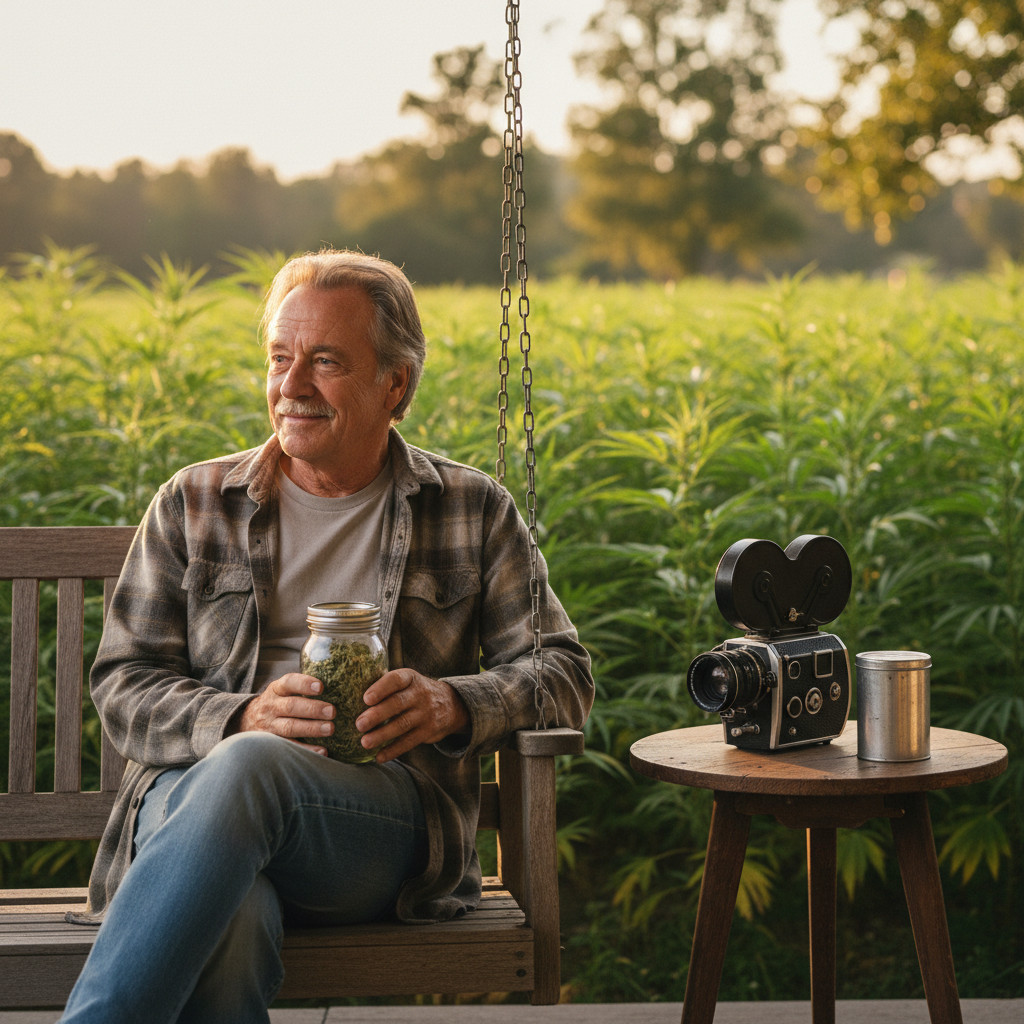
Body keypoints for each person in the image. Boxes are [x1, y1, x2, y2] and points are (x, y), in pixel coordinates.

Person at [59, 249, 594, 1024]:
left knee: (252, 771)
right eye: (280, 358)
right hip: (190, 809)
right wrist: (241, 717)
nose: (292, 385)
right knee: (235, 919)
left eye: (326, 362)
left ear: (395, 384)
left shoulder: (470, 509)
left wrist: (453, 703)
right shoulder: (194, 502)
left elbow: (563, 673)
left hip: (372, 826)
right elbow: (121, 684)